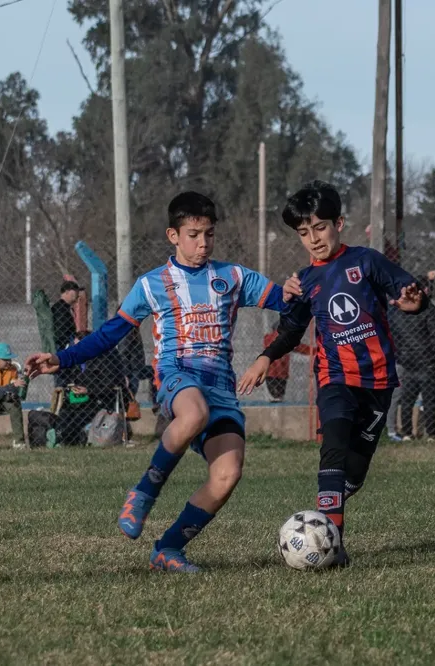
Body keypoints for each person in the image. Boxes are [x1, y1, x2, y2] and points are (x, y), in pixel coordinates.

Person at [26, 191, 290, 573]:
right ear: (173, 235)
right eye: (193, 235)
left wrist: (300, 290)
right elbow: (110, 333)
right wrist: (62, 358)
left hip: (221, 387)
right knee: (193, 413)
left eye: (209, 234)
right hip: (177, 374)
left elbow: (289, 303)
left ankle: (167, 549)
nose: (203, 243)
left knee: (227, 475)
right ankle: (144, 491)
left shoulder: (234, 277)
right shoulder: (152, 284)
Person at [239, 180, 425, 567]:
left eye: (320, 228)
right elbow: (291, 330)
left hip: (378, 381)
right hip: (335, 377)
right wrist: (264, 357)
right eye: (304, 232)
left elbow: (409, 291)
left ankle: (333, 506)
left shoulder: (366, 261)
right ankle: (333, 548)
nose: (313, 239)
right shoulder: (304, 282)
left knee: (353, 473)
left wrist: (415, 302)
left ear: (338, 224)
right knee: (333, 448)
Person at [386, 276, 435, 440]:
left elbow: (394, 336)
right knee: (429, 400)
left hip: (407, 363)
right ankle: (431, 434)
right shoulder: (429, 310)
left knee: (407, 400)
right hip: (428, 363)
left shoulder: (397, 312)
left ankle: (407, 433)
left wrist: (400, 356)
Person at [51, 281, 81, 352]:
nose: (77, 293)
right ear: (67, 292)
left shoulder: (65, 307)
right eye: (75, 290)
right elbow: (62, 330)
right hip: (63, 344)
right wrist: (73, 340)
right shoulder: (60, 308)